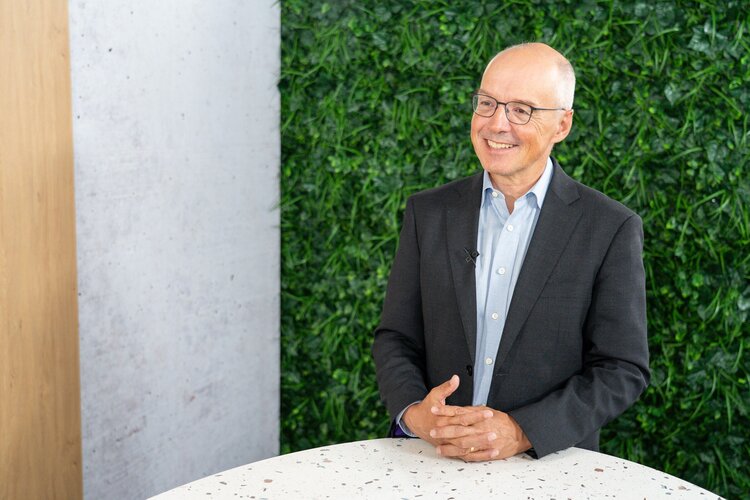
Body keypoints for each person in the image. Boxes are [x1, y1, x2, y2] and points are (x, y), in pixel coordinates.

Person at [372, 43, 650, 461]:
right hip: (432, 456)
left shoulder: (609, 227)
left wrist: (522, 431)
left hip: (546, 465)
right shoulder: (428, 212)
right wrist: (414, 413)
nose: (496, 124)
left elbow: (622, 368)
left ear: (562, 125)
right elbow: (395, 337)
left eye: (522, 110)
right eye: (487, 103)